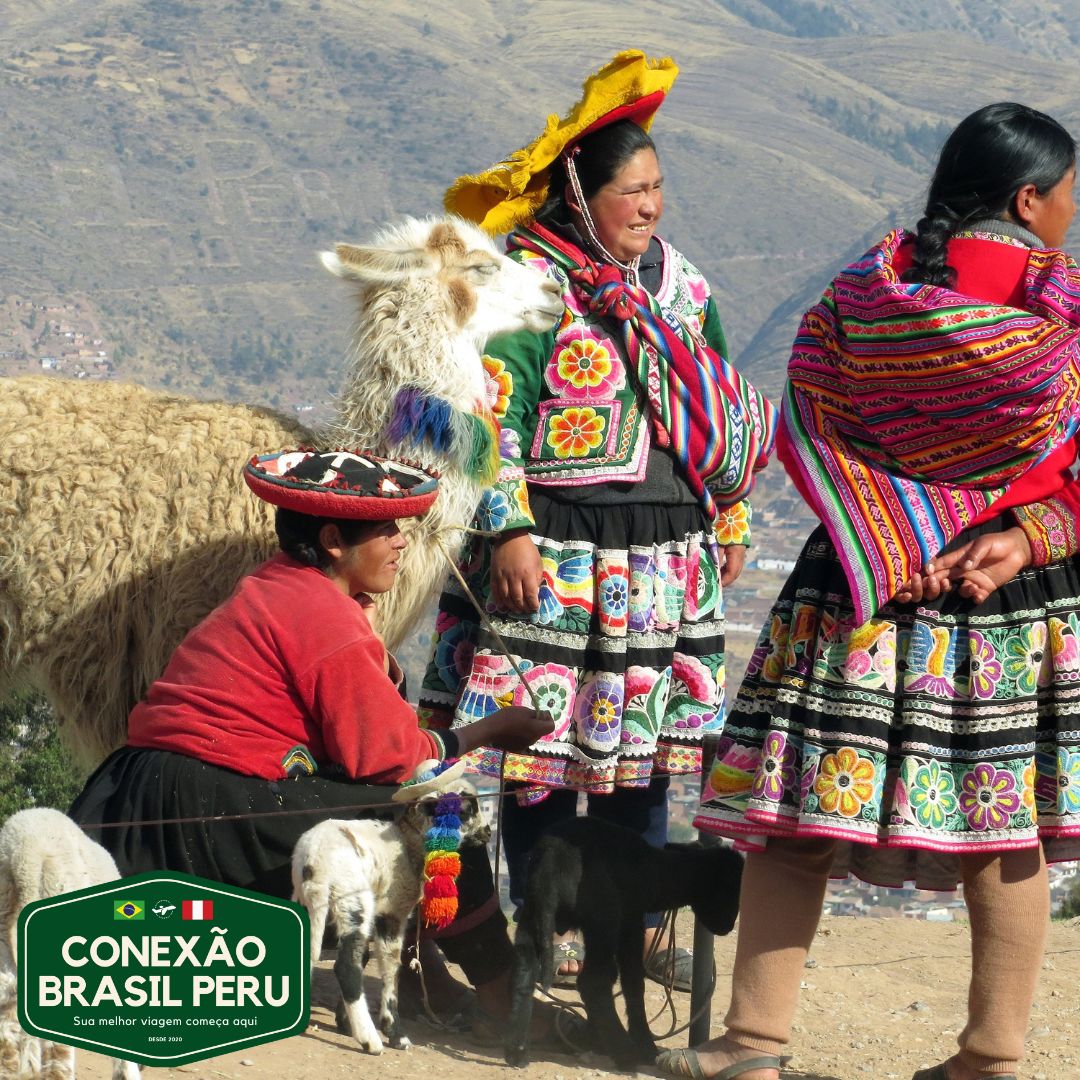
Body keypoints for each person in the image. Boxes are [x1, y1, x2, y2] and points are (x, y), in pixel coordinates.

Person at [664, 103, 1080, 1080]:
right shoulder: (1060, 316)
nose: (1072, 214)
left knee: (800, 813)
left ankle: (752, 1045)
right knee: (1000, 824)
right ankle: (990, 1057)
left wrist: (894, 532)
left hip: (857, 584)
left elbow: (811, 416)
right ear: (1028, 199)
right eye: (1067, 196)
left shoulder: (864, 297)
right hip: (1003, 602)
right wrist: (1022, 538)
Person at [421, 51, 775, 988]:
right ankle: (543, 934)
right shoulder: (528, 285)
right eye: (633, 190)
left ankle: (642, 931)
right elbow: (488, 414)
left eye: (659, 187)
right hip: (559, 549)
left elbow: (719, 404)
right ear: (582, 193)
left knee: (645, 751)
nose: (650, 206)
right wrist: (507, 530)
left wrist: (729, 519)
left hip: (667, 554)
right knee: (541, 749)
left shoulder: (683, 287)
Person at [69, 449, 567, 1044]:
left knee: (378, 804)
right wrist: (491, 729)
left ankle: (418, 974)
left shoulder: (278, 583)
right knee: (438, 821)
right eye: (385, 530)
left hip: (137, 796)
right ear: (333, 539)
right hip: (206, 812)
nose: (400, 543)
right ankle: (502, 997)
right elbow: (390, 757)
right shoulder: (319, 616)